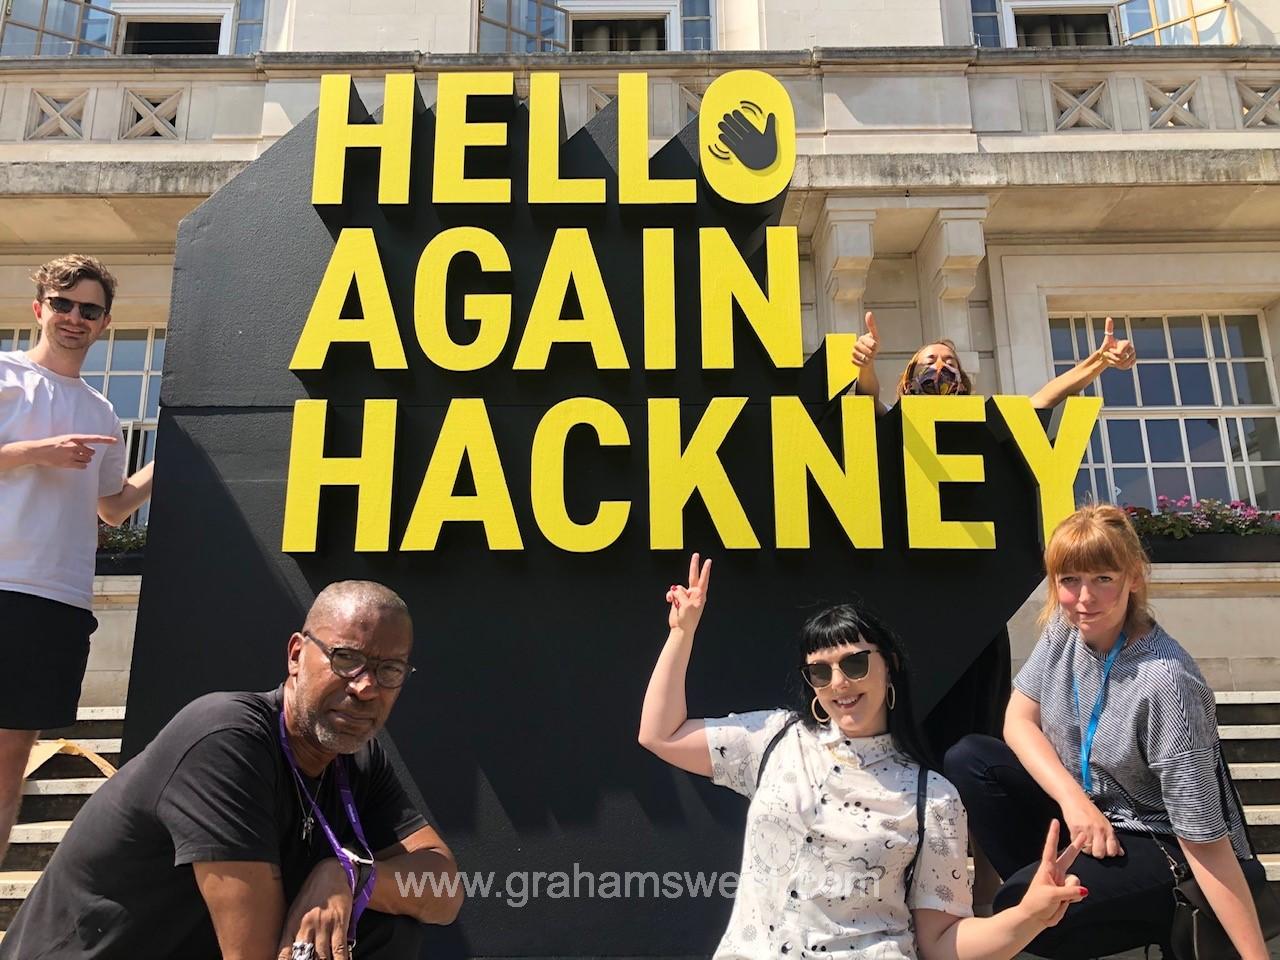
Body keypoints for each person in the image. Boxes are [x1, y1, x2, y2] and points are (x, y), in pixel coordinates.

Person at [639, 554, 1088, 960]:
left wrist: (1027, 916)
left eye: (854, 663)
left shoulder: (932, 798)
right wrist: (682, 634)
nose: (839, 682)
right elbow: (661, 734)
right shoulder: (773, 740)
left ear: (887, 664)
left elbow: (940, 942)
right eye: (820, 671)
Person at [0, 580, 463, 960]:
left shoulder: (356, 758)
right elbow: (256, 955)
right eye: (346, 658)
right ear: (296, 655)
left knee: (388, 928)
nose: (366, 687)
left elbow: (444, 888)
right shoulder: (225, 738)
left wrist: (351, 875)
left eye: (389, 670)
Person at [943, 505, 1271, 960]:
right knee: (970, 759)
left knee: (1021, 909)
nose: (1083, 597)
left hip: (1164, 843)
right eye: (1069, 579)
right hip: (1091, 820)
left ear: (1133, 578)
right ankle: (1061, 892)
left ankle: (1130, 912)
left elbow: (1204, 840)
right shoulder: (1066, 628)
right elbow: (1017, 720)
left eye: (1103, 578)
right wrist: (1074, 804)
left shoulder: (1165, 683)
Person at [0, 254, 155, 862]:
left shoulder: (103, 412)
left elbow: (112, 510)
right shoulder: (5, 375)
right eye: (62, 304)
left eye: (89, 309)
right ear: (39, 308)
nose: (74, 317)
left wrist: (167, 465)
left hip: (56, 601)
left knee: (12, 759)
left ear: (105, 322)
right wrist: (37, 450)